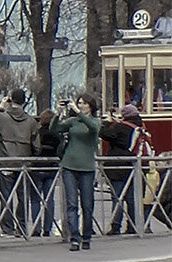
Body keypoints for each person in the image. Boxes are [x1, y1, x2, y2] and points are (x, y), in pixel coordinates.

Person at [53, 95, 101, 251]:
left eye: (83, 104)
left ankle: (87, 236)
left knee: (87, 204)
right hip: (69, 165)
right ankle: (74, 237)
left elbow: (94, 128)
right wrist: (57, 113)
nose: (80, 106)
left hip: (87, 167)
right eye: (79, 103)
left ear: (90, 106)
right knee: (71, 203)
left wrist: (77, 112)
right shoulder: (73, 122)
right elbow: (54, 129)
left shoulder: (94, 121)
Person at [0, 89, 40, 237]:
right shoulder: (31, 121)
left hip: (6, 160)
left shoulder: (2, 117)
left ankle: (8, 228)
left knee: (6, 196)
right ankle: (22, 227)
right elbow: (37, 145)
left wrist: (1, 106)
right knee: (23, 197)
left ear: (11, 99)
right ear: (25, 101)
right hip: (23, 162)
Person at [99, 103, 142, 235]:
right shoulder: (139, 126)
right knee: (131, 198)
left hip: (117, 166)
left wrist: (107, 122)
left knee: (117, 198)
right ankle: (133, 225)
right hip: (132, 165)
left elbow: (105, 134)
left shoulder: (120, 127)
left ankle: (116, 225)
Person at [30, 109, 62, 237]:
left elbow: (33, 148)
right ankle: (47, 229)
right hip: (52, 167)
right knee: (49, 199)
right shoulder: (56, 133)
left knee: (35, 200)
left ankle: (36, 228)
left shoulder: (37, 132)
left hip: (37, 167)